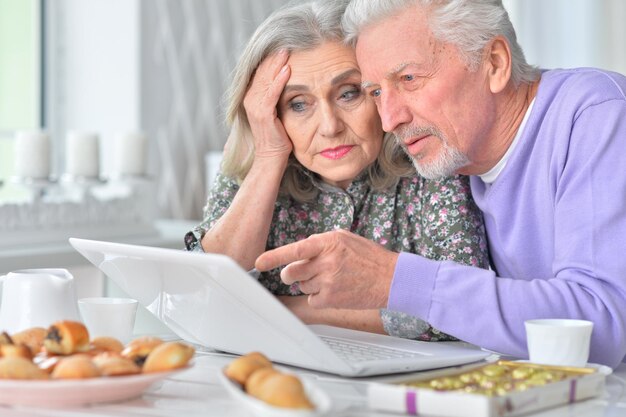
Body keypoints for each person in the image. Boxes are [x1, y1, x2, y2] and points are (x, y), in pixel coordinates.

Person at [255, 0, 626, 369]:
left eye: (409, 79)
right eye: (377, 92)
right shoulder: (457, 157)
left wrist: (393, 279)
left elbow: (600, 330)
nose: (389, 121)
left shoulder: (596, 114)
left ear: (494, 62)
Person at [185, 0, 488, 341]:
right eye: (298, 104)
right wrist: (269, 156)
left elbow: (461, 309)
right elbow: (203, 297)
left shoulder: (430, 157)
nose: (329, 127)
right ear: (269, 114)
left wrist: (280, 309)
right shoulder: (254, 162)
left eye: (348, 93)